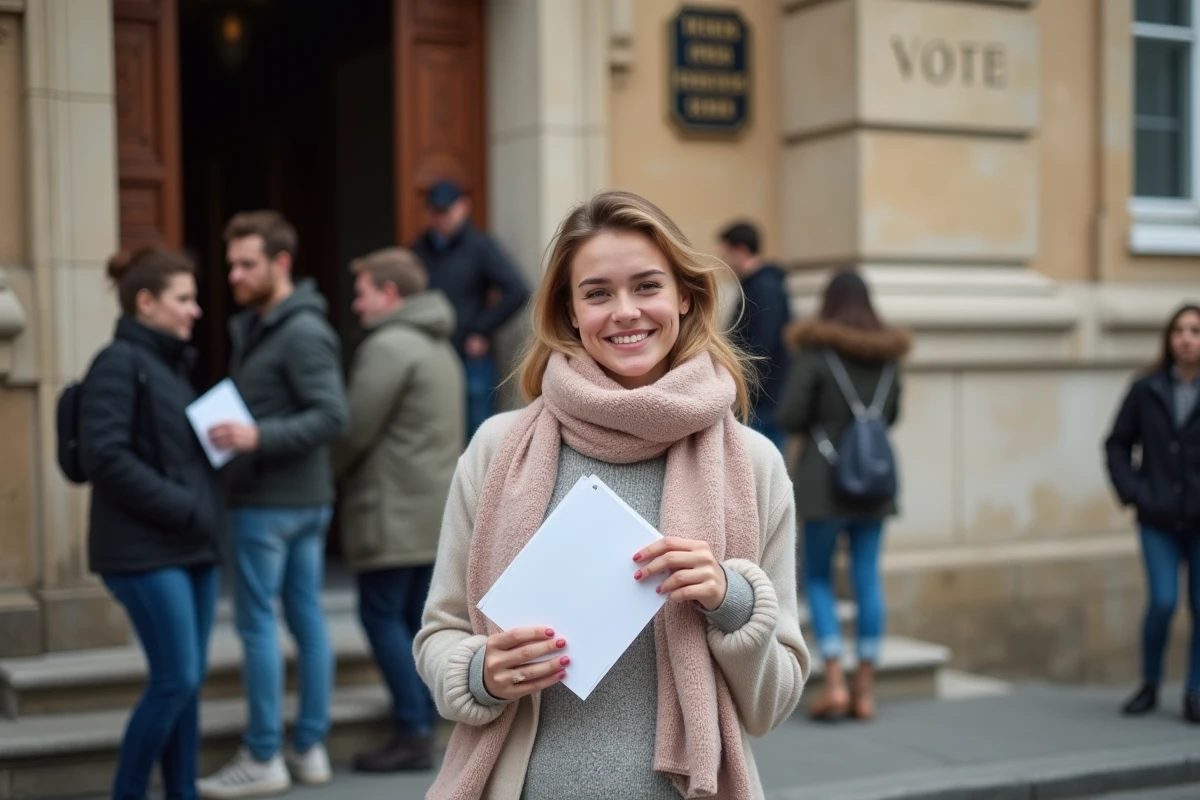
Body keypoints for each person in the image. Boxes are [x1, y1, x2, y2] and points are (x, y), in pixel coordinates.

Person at [414, 190, 809, 799]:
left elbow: (773, 703)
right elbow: (438, 633)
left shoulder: (753, 465)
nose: (625, 311)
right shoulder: (498, 449)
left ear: (684, 295)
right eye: (597, 293)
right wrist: (478, 671)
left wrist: (733, 600)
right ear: (570, 311)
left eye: (647, 286)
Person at [199, 211, 349, 799]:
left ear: (281, 264)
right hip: (286, 500)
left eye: (246, 263)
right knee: (301, 620)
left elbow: (333, 415)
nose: (233, 273)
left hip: (275, 502)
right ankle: (306, 749)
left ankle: (266, 753)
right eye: (231, 263)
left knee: (264, 625)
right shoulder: (263, 324)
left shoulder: (302, 330)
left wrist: (257, 436)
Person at [80, 248, 223, 800]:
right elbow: (104, 456)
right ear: (146, 302)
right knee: (176, 679)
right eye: (183, 299)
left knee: (184, 687)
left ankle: (181, 791)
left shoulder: (169, 365)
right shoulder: (117, 362)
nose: (195, 311)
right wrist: (185, 505)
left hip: (191, 549)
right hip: (144, 552)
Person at [331, 247, 465, 771]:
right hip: (430, 510)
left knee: (381, 614)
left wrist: (325, 476)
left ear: (389, 294)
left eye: (362, 293)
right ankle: (424, 720)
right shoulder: (439, 345)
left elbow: (353, 430)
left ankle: (412, 729)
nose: (357, 305)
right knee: (412, 618)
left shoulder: (389, 345)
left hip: (391, 509)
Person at [776, 270, 910, 722]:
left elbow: (792, 415)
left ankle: (833, 681)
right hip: (874, 485)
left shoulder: (816, 353)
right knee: (868, 577)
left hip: (822, 482)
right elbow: (891, 416)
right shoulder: (890, 357)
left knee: (817, 580)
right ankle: (865, 689)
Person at [1105, 303, 1200, 724]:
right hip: (1157, 516)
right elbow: (1117, 444)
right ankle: (1149, 683)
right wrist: (1133, 492)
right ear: (1168, 338)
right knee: (1162, 601)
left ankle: (1195, 691)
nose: (1186, 338)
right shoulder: (1147, 389)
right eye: (1179, 330)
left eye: (1196, 330)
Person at [411, 179, 530, 439]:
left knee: (477, 432)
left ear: (463, 207)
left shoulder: (480, 247)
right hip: (431, 352)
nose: (439, 219)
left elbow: (518, 290)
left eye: (445, 211)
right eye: (434, 212)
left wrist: (481, 329)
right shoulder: (418, 250)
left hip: (470, 357)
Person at [719, 221, 792, 451]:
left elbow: (761, 347)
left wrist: (743, 392)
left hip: (764, 403)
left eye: (726, 254)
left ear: (739, 250)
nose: (725, 262)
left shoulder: (765, 288)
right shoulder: (756, 286)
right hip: (758, 400)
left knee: (761, 472)